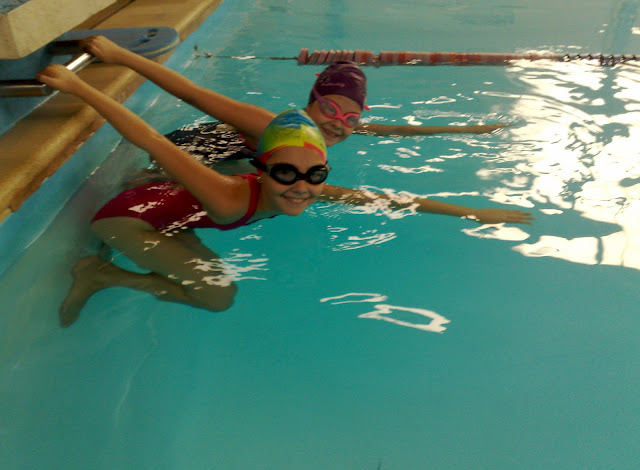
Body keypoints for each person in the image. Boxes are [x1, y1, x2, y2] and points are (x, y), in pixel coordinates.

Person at [36, 65, 533, 327]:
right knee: (217, 297)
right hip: (127, 220)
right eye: (287, 174)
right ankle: (101, 272)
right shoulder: (230, 193)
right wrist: (80, 86)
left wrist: (472, 211)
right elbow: (148, 137)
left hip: (172, 211)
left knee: (215, 290)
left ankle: (100, 272)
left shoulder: (305, 183)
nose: (301, 187)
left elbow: (383, 198)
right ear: (263, 168)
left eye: (314, 175)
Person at [82, 36, 509, 168]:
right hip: (204, 149)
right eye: (330, 110)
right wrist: (122, 56)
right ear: (311, 103)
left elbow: (395, 130)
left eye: (351, 118)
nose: (339, 123)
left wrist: (470, 131)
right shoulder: (270, 123)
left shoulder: (331, 128)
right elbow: (193, 94)